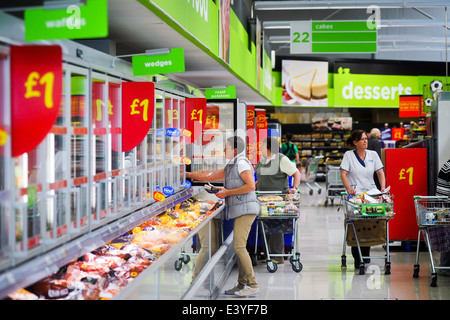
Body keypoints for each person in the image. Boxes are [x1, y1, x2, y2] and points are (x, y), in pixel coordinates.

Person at [186, 136, 260, 296]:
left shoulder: (241, 163)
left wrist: (228, 192)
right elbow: (209, 177)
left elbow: (250, 185)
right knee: (240, 247)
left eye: (226, 148)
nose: (223, 151)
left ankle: (252, 284)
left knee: (239, 247)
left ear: (234, 150)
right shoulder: (232, 165)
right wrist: (186, 174)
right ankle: (241, 285)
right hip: (241, 208)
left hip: (246, 209)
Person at [340, 130, 386, 268]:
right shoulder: (349, 155)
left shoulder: (373, 155)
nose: (366, 141)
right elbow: (343, 173)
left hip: (371, 195)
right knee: (357, 225)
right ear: (355, 142)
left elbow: (380, 173)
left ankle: (365, 254)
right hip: (356, 196)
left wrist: (382, 189)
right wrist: (349, 189)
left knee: (369, 224)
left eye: (366, 138)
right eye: (362, 139)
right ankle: (358, 257)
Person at [255, 137, 300, 264]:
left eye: (262, 146)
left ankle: (277, 256)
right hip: (263, 199)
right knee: (264, 225)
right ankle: (268, 254)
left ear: (269, 148)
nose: (260, 148)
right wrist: (255, 184)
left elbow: (297, 174)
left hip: (278, 199)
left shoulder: (281, 159)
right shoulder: (263, 160)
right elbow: (262, 176)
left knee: (275, 227)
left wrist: (294, 188)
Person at [428, 158, 450, 275]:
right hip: (445, 212)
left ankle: (445, 266)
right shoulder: (448, 168)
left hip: (444, 211)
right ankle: (444, 266)